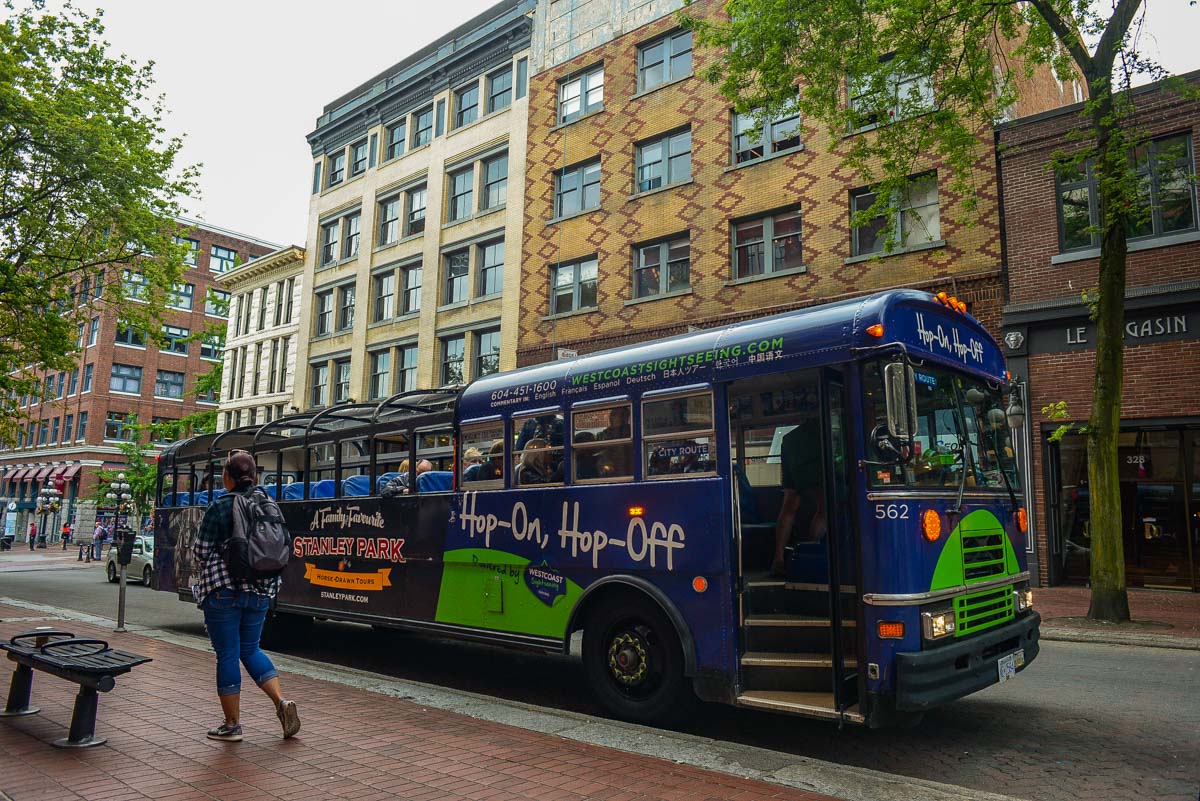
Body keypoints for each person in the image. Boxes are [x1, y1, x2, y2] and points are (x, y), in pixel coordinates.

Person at [192, 450, 299, 742]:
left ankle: (232, 725)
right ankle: (281, 702)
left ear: (227, 476)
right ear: (255, 476)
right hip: (262, 590)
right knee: (250, 649)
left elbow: (200, 551)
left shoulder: (221, 505)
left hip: (223, 591)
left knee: (227, 654)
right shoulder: (267, 502)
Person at [772, 419, 826, 577]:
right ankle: (813, 555)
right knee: (824, 507)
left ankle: (778, 558)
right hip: (813, 443)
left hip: (792, 446)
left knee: (789, 504)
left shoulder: (790, 438)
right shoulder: (823, 428)